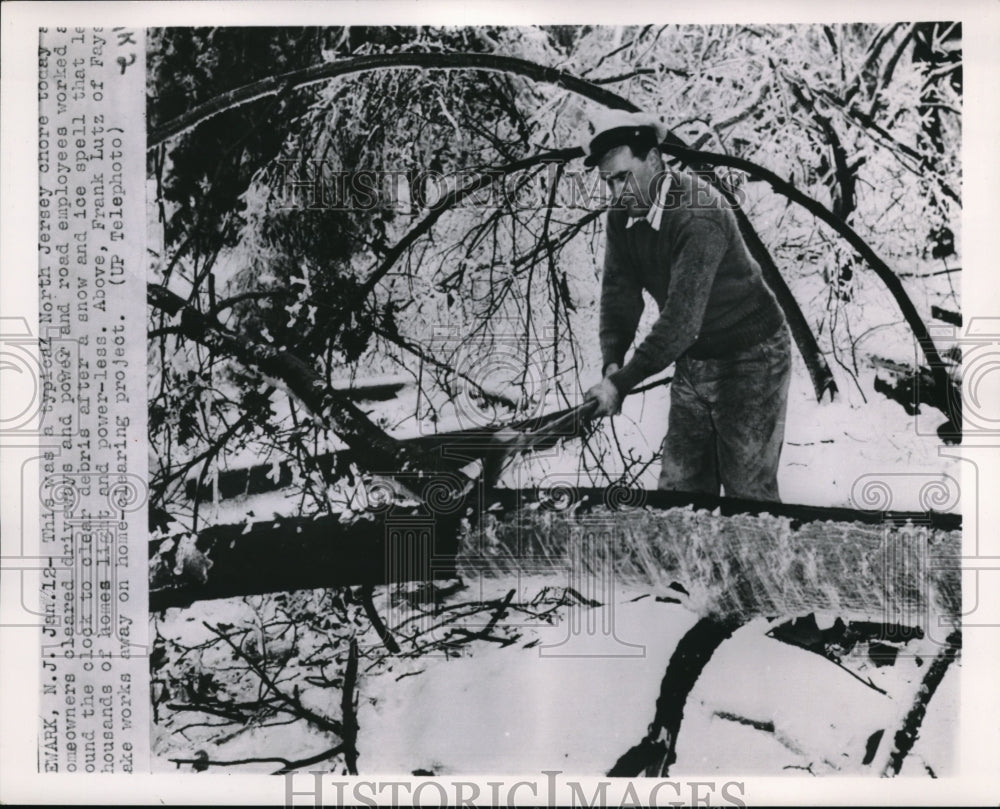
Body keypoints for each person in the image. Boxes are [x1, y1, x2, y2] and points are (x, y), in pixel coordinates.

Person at [582, 112, 792, 502]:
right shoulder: (622, 215)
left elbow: (681, 320)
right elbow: (619, 291)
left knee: (749, 494)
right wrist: (613, 359)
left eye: (623, 176)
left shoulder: (697, 214)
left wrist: (622, 384)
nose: (616, 192)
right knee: (680, 491)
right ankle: (688, 565)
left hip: (752, 356)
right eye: (608, 181)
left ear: (655, 161)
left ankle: (760, 561)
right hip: (695, 356)